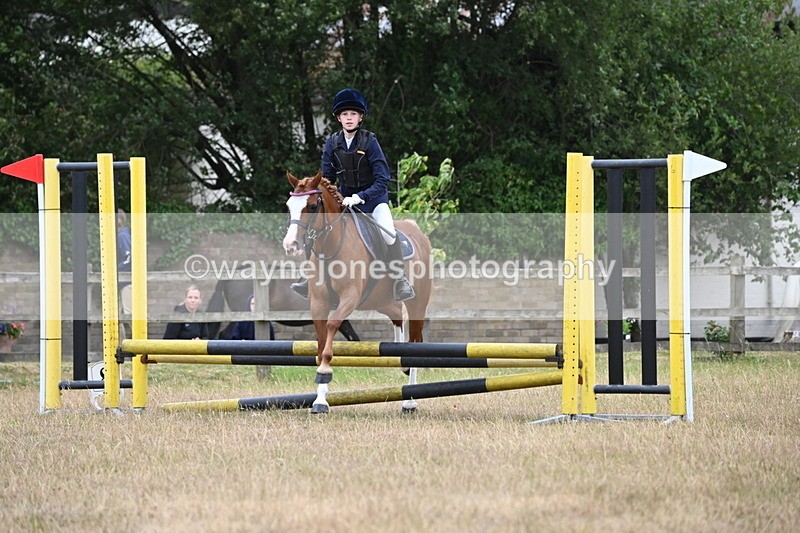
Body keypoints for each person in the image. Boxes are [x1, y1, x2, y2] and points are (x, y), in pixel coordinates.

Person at [291, 87, 415, 302]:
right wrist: (332, 197)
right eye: (345, 114)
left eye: (353, 114)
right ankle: (308, 277)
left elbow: (382, 179)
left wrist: (361, 197)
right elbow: (326, 179)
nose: (349, 118)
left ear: (360, 118)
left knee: (388, 234)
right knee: (315, 228)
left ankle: (399, 279)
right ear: (339, 118)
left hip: (374, 201)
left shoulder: (370, 142)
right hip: (345, 202)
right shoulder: (332, 143)